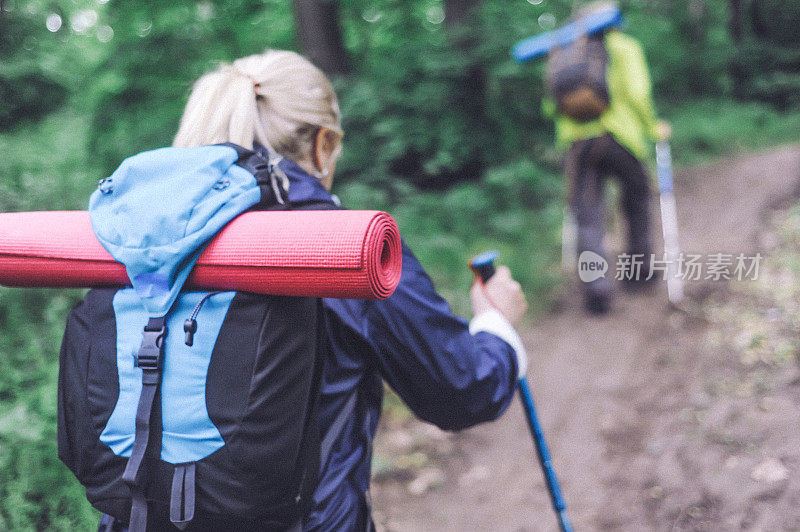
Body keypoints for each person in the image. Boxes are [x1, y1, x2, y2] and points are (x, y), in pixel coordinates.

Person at [94, 49, 528, 531]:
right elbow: (460, 388)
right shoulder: (346, 249)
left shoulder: (134, 238)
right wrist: (497, 324)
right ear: (323, 146)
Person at [544, 1, 670, 314]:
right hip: (621, 137)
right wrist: (654, 128)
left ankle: (596, 290)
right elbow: (638, 93)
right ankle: (638, 274)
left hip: (578, 143)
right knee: (637, 203)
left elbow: (551, 106)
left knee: (587, 216)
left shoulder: (564, 52)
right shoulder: (624, 46)